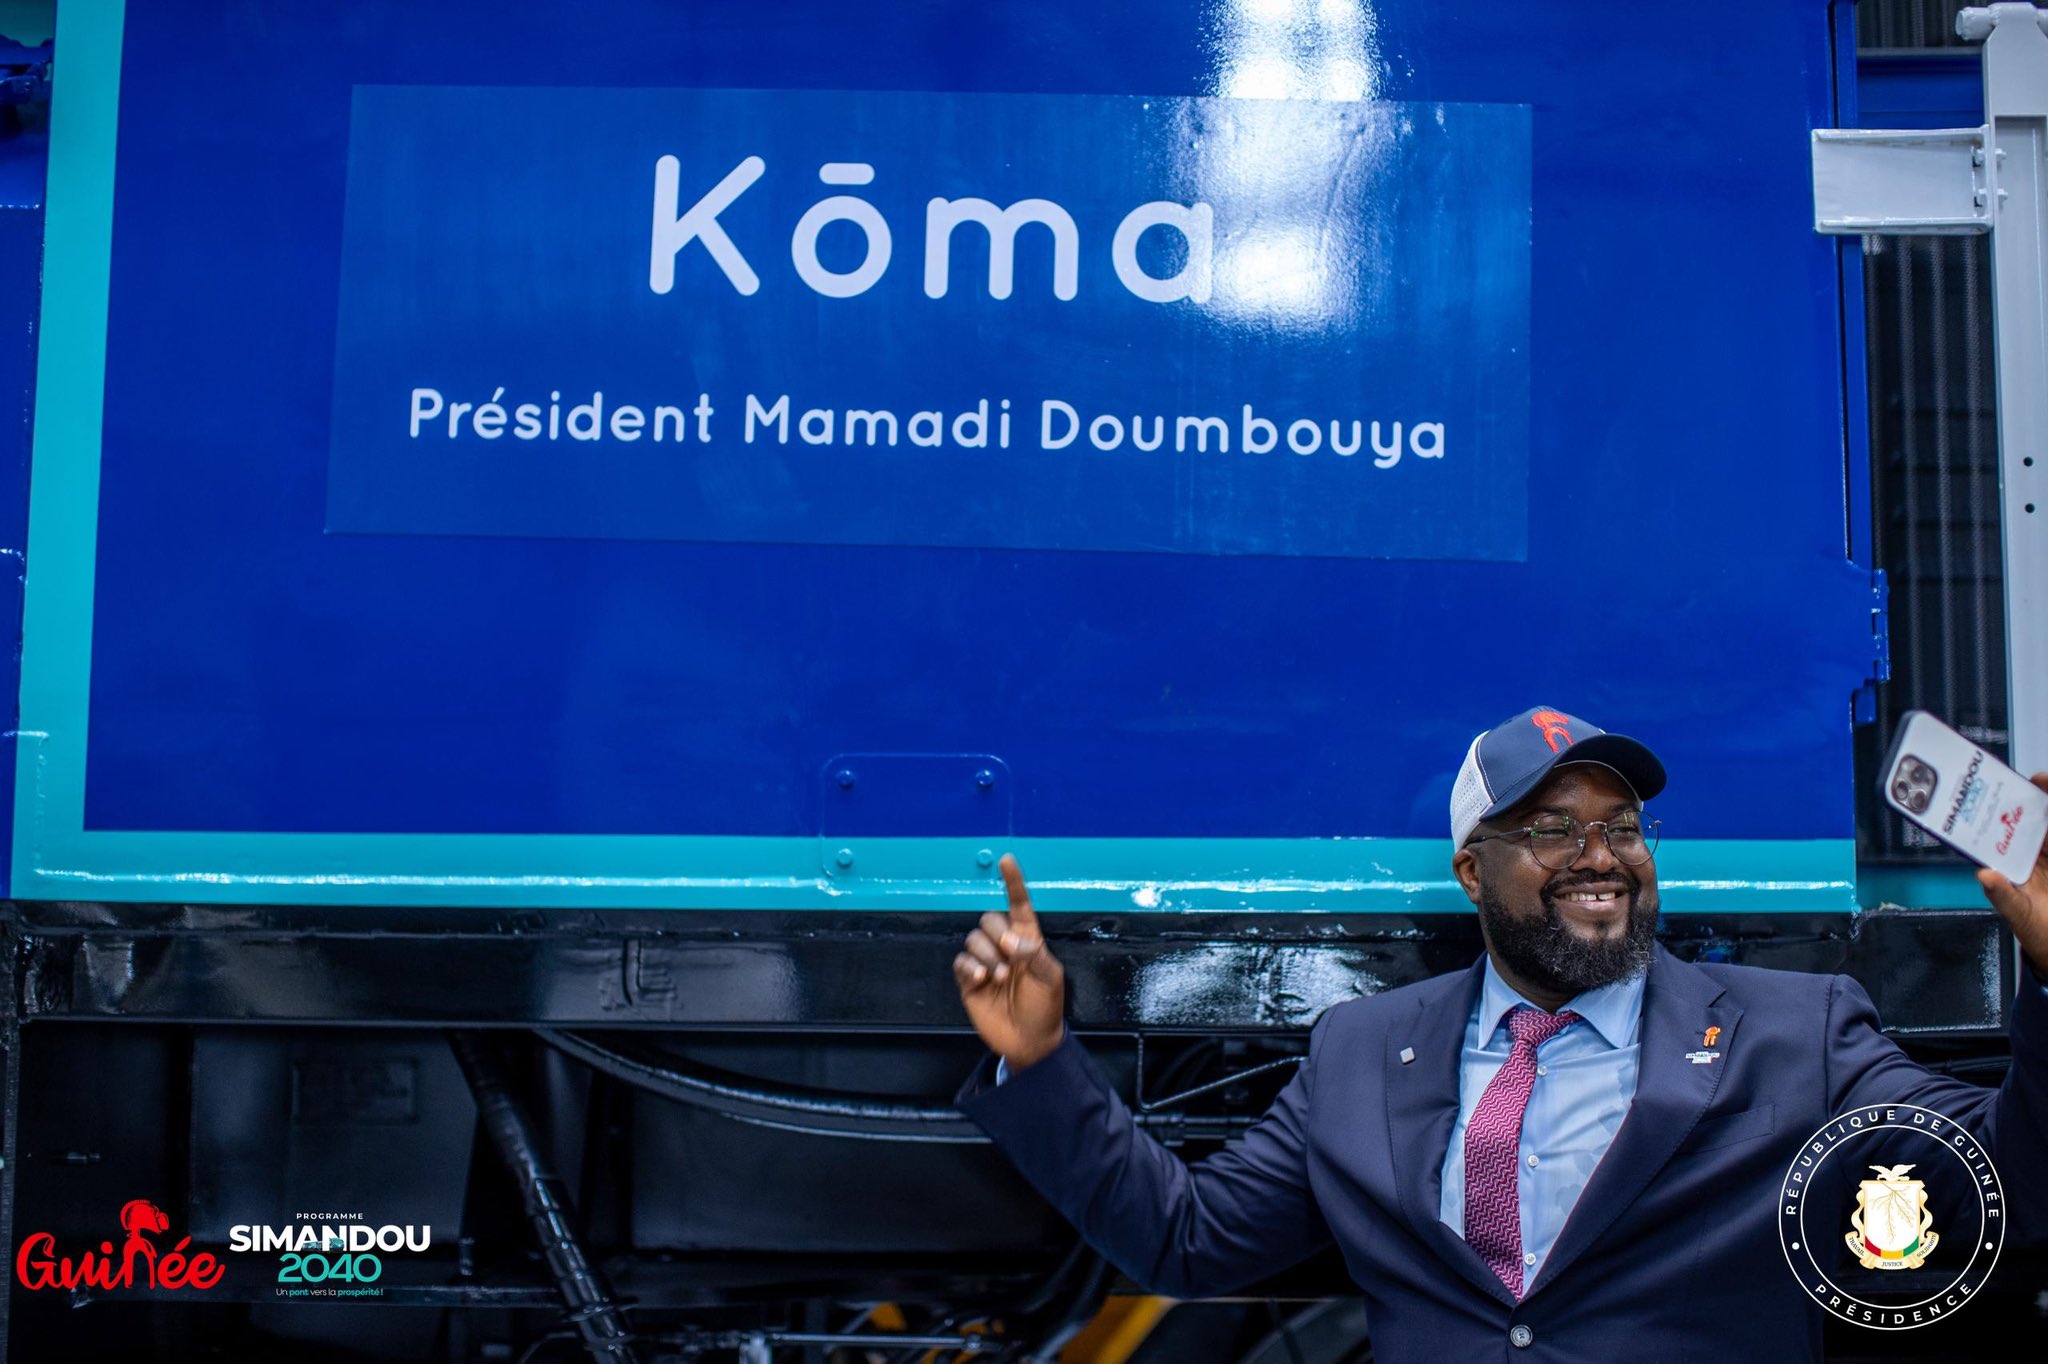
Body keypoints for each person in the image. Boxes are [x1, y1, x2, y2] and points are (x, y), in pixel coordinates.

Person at [950, 705, 2048, 1360]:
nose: (1600, 855)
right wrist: (1037, 1058)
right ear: (1473, 870)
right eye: (1553, 828)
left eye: (1621, 826)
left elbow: (2004, 1178)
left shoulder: (1792, 1035)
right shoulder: (1359, 1053)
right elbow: (1186, 1240)